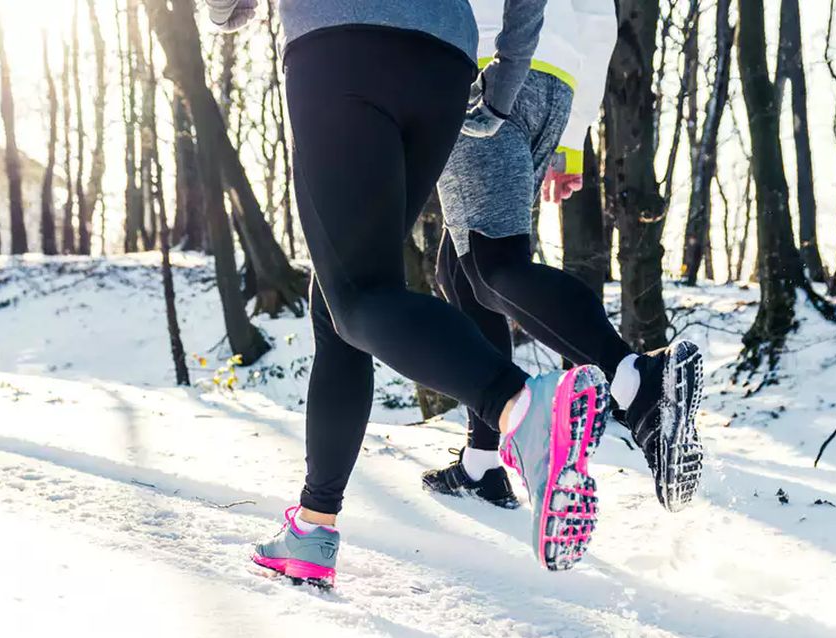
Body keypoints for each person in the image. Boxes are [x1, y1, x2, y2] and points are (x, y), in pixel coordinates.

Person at [205, 0, 612, 586]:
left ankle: (521, 406)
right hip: (443, 63)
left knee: (359, 295)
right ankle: (313, 528)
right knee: (343, 301)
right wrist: (507, 72)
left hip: (340, 47)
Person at [420, 0, 706, 516]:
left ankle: (637, 381)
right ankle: (482, 464)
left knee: (491, 267)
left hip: (485, 67)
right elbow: (598, 20)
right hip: (552, 81)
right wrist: (571, 135)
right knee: (460, 272)